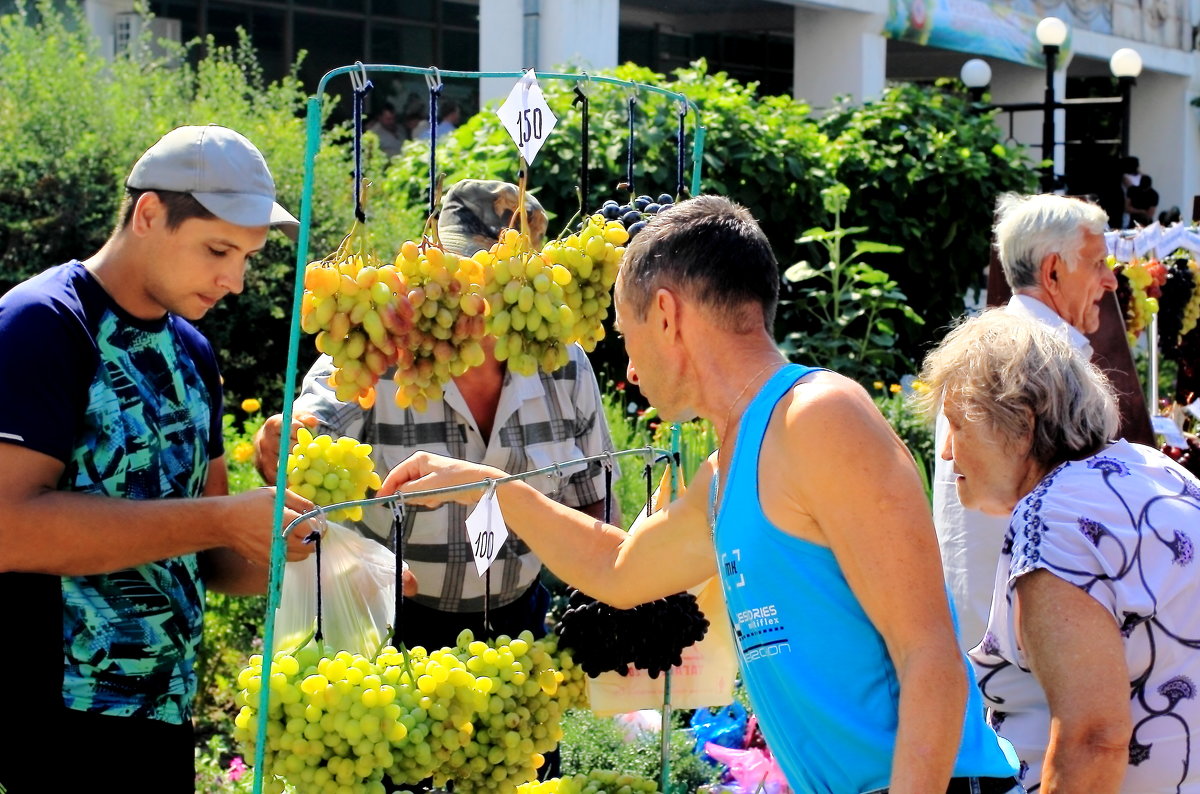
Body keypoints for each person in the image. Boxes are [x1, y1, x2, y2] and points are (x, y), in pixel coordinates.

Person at [374, 195, 1021, 794]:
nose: (627, 370)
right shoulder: (729, 465)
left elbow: (929, 650)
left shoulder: (818, 417)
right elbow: (619, 569)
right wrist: (491, 489)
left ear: (665, 313)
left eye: (626, 337)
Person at [0, 124, 316, 793]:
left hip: (163, 718)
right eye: (218, 249)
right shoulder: (42, 326)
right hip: (54, 726)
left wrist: (280, 511)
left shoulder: (194, 354)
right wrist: (221, 518)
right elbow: (8, 526)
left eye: (247, 257)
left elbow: (218, 567)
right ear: (149, 214)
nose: (233, 279)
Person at [254, 178, 613, 654]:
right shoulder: (382, 345)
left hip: (521, 628)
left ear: (525, 278)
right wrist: (280, 442)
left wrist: (597, 602)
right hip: (386, 630)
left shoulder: (562, 364)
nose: (468, 289)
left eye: (492, 273)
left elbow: (595, 495)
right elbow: (310, 433)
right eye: (458, 268)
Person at [919, 309, 1200, 793]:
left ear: (1021, 424)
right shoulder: (1152, 469)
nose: (947, 453)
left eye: (957, 426)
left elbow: (1092, 739)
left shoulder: (1054, 517)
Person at [934, 192, 1117, 650]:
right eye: (1097, 264)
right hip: (1020, 648)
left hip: (999, 637)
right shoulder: (1032, 363)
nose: (1110, 280)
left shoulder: (1004, 349)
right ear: (1053, 271)